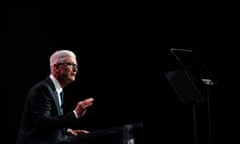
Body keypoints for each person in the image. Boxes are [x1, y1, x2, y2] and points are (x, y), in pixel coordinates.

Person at [16, 49, 94, 144]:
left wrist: (67, 131)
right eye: (71, 65)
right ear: (56, 67)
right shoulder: (42, 89)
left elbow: (53, 120)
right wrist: (75, 114)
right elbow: (43, 123)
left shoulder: (57, 90)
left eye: (76, 66)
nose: (75, 69)